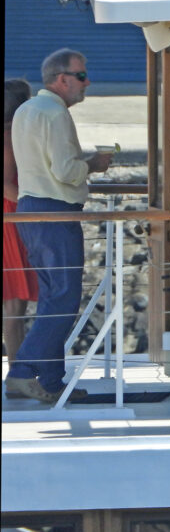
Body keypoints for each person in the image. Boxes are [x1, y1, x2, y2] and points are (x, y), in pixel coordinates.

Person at [4, 49, 112, 403]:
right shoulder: (55, 113)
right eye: (81, 76)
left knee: (53, 298)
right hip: (55, 212)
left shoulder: (26, 110)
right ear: (61, 79)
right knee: (63, 298)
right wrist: (93, 164)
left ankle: (50, 380)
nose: (87, 82)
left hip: (30, 211)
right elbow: (66, 171)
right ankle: (22, 373)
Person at [3, 79, 38, 367]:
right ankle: (17, 371)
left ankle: (19, 369)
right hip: (11, 218)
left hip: (14, 216)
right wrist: (34, 206)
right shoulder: (7, 138)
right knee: (14, 301)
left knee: (15, 302)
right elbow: (4, 185)